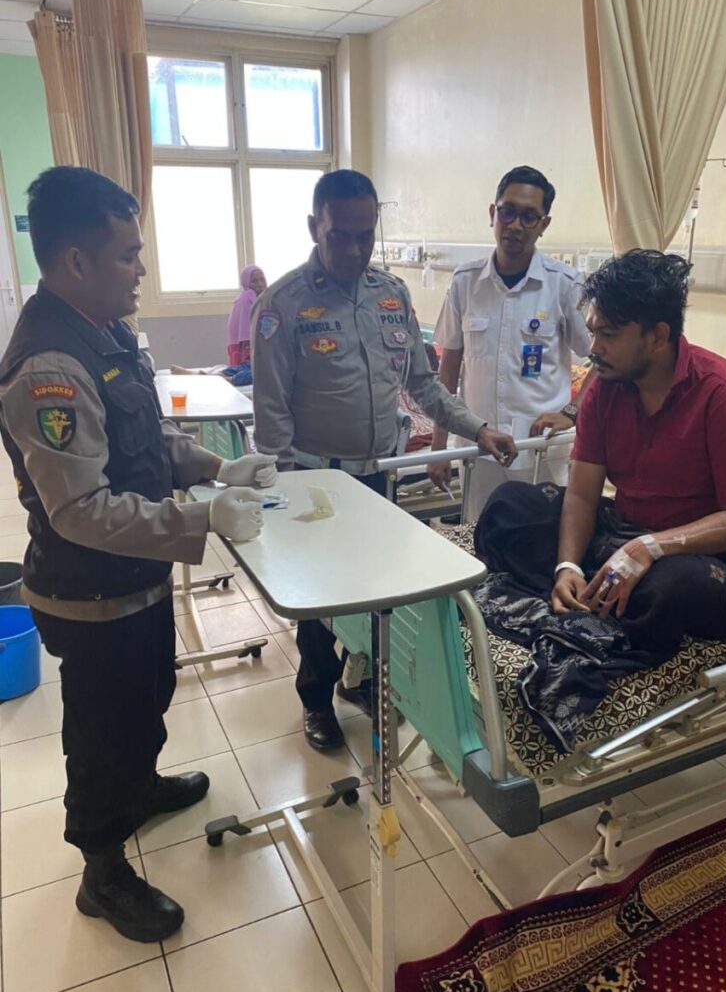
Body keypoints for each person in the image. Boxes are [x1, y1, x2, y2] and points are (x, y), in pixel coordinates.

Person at [0, 166, 277, 944]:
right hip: (89, 593)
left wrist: (219, 467)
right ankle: (102, 871)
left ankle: (142, 786)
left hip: (134, 580)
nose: (141, 270)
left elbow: (144, 437)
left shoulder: (105, 332)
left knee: (149, 696)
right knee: (101, 734)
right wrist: (201, 519)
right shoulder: (49, 367)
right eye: (127, 255)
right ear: (76, 261)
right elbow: (80, 509)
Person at [252, 169, 518, 751]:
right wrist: (278, 494)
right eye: (339, 236)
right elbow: (270, 411)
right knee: (321, 602)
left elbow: (424, 386)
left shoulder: (391, 296)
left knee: (376, 591)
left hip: (379, 476)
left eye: (365, 236)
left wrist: (478, 429)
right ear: (314, 228)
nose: (353, 250)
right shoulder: (284, 305)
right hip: (315, 483)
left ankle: (362, 680)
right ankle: (316, 698)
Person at [475, 249, 726, 686]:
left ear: (657, 336)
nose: (594, 349)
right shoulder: (605, 390)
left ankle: (599, 603)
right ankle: (586, 591)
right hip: (623, 532)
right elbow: (581, 494)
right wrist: (568, 566)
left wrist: (651, 548)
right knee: (509, 507)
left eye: (608, 335)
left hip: (705, 558)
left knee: (669, 589)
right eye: (593, 331)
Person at [429, 166, 594, 520]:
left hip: (540, 451)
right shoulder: (465, 282)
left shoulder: (564, 285)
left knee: (541, 541)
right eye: (508, 212)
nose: (515, 225)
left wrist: (572, 412)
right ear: (493, 213)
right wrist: (439, 446)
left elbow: (605, 358)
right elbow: (448, 369)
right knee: (480, 537)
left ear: (544, 224)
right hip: (479, 449)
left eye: (529, 217)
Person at [171, 264, 267, 386]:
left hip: (251, 355)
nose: (260, 284)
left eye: (262, 279)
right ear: (246, 283)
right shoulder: (250, 296)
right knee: (259, 372)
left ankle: (203, 375)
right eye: (254, 281)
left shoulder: (246, 298)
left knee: (246, 369)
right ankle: (228, 380)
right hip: (250, 351)